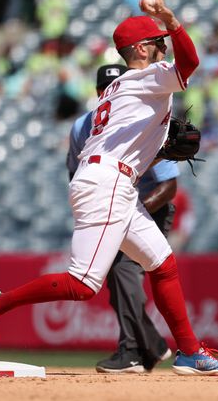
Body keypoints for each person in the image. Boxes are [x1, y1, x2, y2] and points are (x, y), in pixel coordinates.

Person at [0, 0, 218, 376]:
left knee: (162, 263)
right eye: (157, 41)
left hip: (113, 179)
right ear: (140, 48)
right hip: (107, 183)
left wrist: (154, 152)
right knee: (82, 284)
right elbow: (190, 63)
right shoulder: (146, 79)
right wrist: (171, 19)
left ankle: (189, 352)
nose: (163, 45)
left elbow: (125, 142)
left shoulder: (121, 88)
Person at [66, 64, 177, 373]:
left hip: (150, 206)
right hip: (106, 201)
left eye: (116, 85)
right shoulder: (82, 127)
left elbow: (169, 186)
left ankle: (132, 352)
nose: (111, 92)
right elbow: (76, 174)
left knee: (124, 274)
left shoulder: (142, 119)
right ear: (100, 93)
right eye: (105, 88)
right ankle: (150, 345)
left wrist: (127, 209)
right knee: (111, 280)